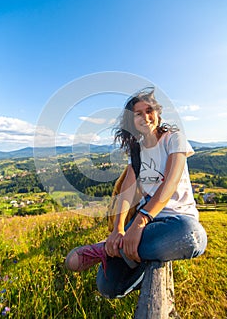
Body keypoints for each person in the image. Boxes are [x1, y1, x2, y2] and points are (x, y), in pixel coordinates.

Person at [65, 88, 207, 299]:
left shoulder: (173, 138)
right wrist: (118, 228)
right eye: (138, 114)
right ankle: (135, 249)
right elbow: (126, 194)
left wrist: (140, 221)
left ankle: (107, 250)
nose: (145, 117)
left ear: (158, 113)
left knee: (192, 237)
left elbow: (169, 182)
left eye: (149, 110)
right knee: (109, 287)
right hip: (147, 223)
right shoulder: (137, 151)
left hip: (177, 220)